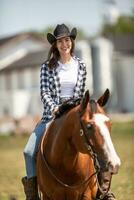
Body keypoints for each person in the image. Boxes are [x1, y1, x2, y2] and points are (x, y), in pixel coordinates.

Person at [21, 24, 116, 200]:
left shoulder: (80, 65)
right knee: (28, 152)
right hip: (53, 114)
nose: (64, 44)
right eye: (60, 41)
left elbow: (80, 94)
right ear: (55, 45)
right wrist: (55, 107)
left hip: (75, 113)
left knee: (96, 140)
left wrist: (78, 110)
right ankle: (32, 195)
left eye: (67, 40)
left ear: (71, 42)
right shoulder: (46, 67)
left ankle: (103, 191)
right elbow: (45, 93)